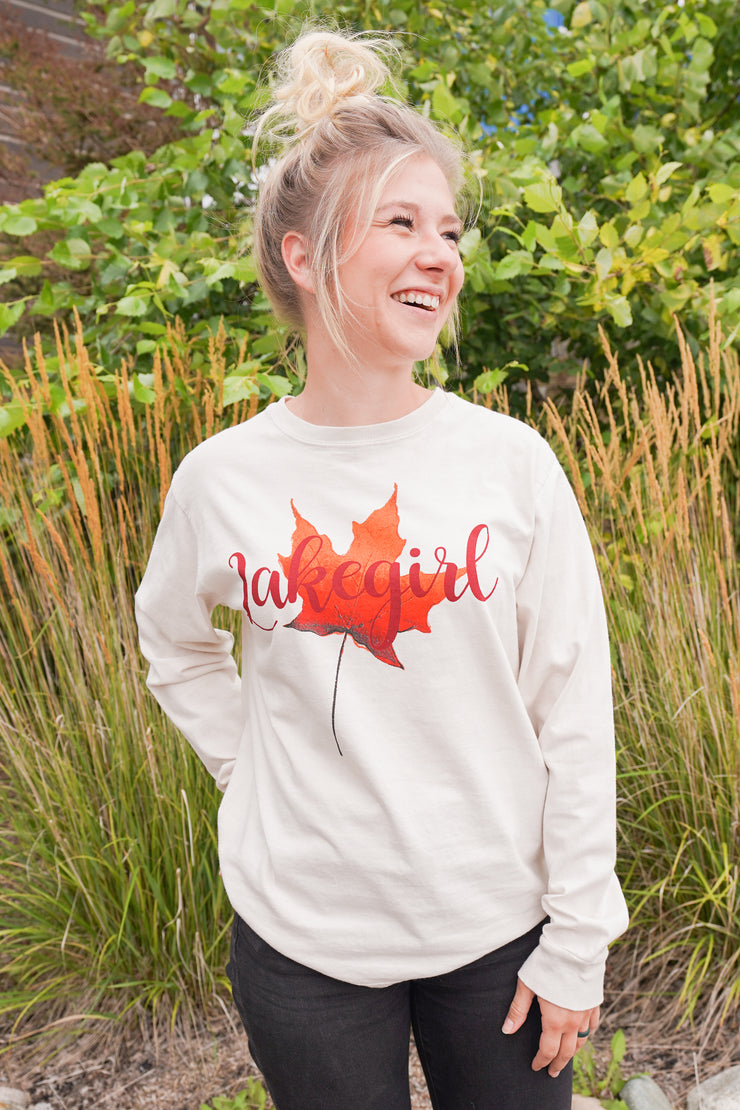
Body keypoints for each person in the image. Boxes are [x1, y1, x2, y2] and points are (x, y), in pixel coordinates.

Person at [135, 28, 629, 1110]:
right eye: (400, 223)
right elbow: (172, 644)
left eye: (447, 229)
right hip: (302, 937)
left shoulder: (508, 464)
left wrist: (577, 936)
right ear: (305, 258)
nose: (439, 254)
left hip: (497, 929)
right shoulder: (223, 479)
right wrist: (248, 767)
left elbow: (573, 710)